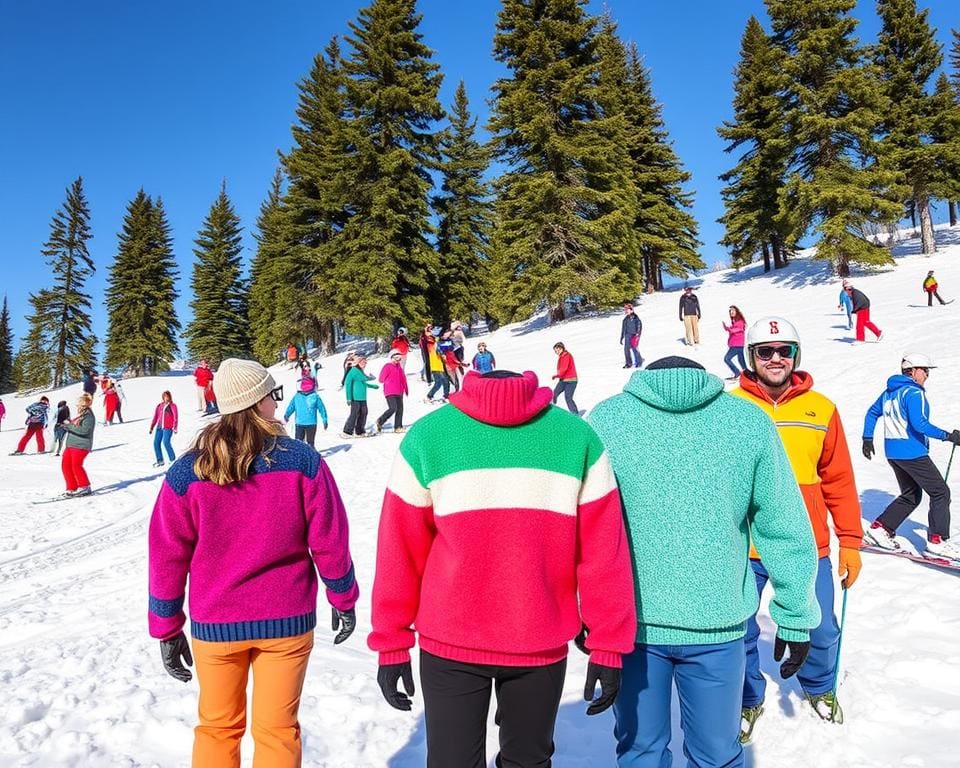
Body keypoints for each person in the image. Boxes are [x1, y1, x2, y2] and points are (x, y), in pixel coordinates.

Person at [369, 369, 636, 768]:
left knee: (526, 761)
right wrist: (390, 642)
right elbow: (400, 551)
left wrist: (609, 643)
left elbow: (603, 552)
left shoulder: (576, 439)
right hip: (452, 645)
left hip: (537, 643)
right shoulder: (429, 438)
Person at [588, 356, 819, 768]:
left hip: (651, 627)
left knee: (641, 753)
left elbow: (578, 527)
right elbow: (782, 524)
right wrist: (795, 614)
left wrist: (583, 610)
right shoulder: (746, 421)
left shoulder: (606, 419)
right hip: (682, 628)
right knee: (716, 755)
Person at [148, 358, 359, 768]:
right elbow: (330, 541)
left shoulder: (188, 471)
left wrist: (166, 626)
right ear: (259, 400)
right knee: (278, 732)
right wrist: (343, 598)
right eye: (273, 396)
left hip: (216, 624)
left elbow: (167, 556)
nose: (277, 405)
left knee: (217, 729)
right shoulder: (301, 461)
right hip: (288, 621)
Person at [733, 317, 863, 731]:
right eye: (765, 351)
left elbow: (839, 479)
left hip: (807, 545)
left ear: (796, 355)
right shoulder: (730, 407)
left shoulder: (820, 409)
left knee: (822, 628)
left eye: (784, 350)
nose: (775, 358)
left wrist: (851, 541)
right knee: (739, 633)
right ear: (750, 356)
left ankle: (820, 686)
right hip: (744, 545)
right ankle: (747, 696)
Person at [862, 353, 960, 560]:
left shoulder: (889, 392)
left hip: (894, 453)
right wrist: (948, 436)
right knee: (940, 492)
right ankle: (938, 542)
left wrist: (867, 437)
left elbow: (872, 412)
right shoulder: (914, 393)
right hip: (912, 453)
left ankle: (880, 529)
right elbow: (920, 424)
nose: (927, 376)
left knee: (911, 495)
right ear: (913, 371)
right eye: (925, 371)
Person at [60, 393, 96, 497]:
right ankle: (72, 487)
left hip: (81, 445)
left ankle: (85, 486)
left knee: (76, 465)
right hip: (71, 444)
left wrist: (69, 425)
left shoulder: (89, 416)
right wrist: (65, 426)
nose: (77, 407)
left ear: (84, 405)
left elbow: (85, 431)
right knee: (65, 466)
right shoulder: (81, 415)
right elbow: (74, 427)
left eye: (79, 405)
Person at [284, 376, 328, 447]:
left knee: (298, 442)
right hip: (311, 423)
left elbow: (291, 407)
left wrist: (287, 415)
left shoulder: (297, 396)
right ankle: (311, 455)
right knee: (310, 442)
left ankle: (300, 455)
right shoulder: (315, 396)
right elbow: (322, 409)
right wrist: (325, 420)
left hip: (300, 423)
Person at [342, 356, 378, 437]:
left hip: (362, 397)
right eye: (363, 362)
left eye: (365, 362)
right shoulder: (354, 371)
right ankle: (347, 431)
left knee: (364, 413)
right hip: (355, 398)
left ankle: (360, 431)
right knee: (354, 414)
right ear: (358, 362)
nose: (365, 364)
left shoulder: (360, 371)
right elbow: (348, 384)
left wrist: (372, 386)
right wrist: (348, 398)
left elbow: (362, 383)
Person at [375, 351, 409, 433]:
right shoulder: (387, 366)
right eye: (396, 358)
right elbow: (381, 379)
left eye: (399, 358)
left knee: (400, 409)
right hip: (390, 391)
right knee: (393, 408)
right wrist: (389, 382)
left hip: (399, 391)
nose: (398, 360)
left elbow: (403, 379)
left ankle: (398, 427)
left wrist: (406, 389)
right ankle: (380, 421)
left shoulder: (399, 368)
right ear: (392, 358)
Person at [149, 391, 179, 467]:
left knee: (166, 442)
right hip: (159, 427)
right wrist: (152, 427)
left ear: (169, 397)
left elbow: (175, 417)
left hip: (167, 427)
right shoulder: (159, 406)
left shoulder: (172, 405)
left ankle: (172, 459)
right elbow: (155, 417)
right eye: (164, 396)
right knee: (156, 443)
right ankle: (160, 460)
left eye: (167, 396)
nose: (166, 398)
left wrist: (175, 427)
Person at [551, 342, 579, 415]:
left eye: (557, 350)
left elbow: (564, 368)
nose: (556, 352)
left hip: (571, 381)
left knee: (568, 398)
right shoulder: (561, 356)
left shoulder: (566, 356)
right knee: (554, 394)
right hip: (563, 380)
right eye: (555, 351)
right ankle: (551, 410)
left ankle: (575, 415)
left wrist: (557, 375)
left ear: (561, 348)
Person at [722, 306, 747, 379]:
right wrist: (727, 328)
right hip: (737, 344)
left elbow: (737, 330)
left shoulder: (740, 322)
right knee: (741, 360)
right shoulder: (735, 322)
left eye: (733, 311)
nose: (731, 312)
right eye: (730, 311)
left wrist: (728, 328)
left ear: (737, 312)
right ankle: (747, 374)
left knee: (727, 359)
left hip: (737, 345)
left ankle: (737, 372)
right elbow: (733, 330)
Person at [424, 337, 450, 403]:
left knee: (442, 382)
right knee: (441, 382)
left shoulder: (436, 345)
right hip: (436, 367)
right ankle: (430, 396)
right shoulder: (432, 345)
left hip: (439, 366)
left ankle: (443, 396)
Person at [620, 303, 643, 368]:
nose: (626, 311)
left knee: (634, 348)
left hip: (634, 335)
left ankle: (639, 362)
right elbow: (623, 329)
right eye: (625, 310)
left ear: (631, 310)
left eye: (627, 309)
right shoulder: (625, 319)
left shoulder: (636, 318)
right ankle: (628, 363)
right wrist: (622, 337)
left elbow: (639, 326)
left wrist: (637, 334)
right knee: (626, 350)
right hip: (627, 335)